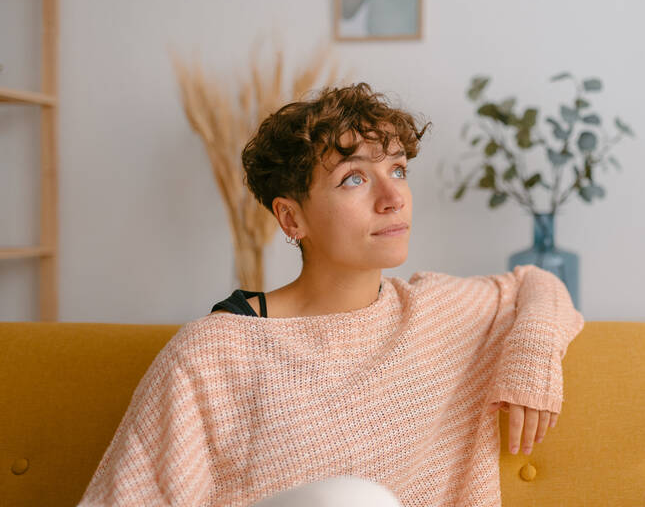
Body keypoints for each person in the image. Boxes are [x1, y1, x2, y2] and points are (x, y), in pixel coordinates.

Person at [77, 82, 585, 506]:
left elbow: (536, 284)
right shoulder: (210, 355)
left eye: (398, 169)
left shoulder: (435, 310)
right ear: (291, 217)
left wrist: (533, 356)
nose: (392, 198)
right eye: (354, 178)